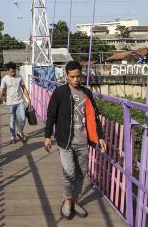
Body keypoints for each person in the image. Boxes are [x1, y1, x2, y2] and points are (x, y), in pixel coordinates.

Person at [44, 61, 107, 220]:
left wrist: (99, 136)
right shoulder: (60, 93)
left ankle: (75, 200)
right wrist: (47, 136)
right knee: (69, 172)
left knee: (81, 173)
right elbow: (51, 115)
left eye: (79, 76)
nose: (76, 79)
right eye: (72, 76)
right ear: (66, 76)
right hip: (65, 141)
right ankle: (66, 200)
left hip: (83, 140)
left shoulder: (87, 93)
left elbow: (94, 117)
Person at [0, 62, 31, 145]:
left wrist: (28, 99)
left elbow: (24, 88)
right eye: (11, 72)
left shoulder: (19, 77)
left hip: (20, 101)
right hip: (10, 103)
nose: (13, 73)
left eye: (14, 71)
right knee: (12, 121)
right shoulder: (4, 79)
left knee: (23, 118)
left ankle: (20, 132)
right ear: (8, 71)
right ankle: (12, 137)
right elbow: (0, 91)